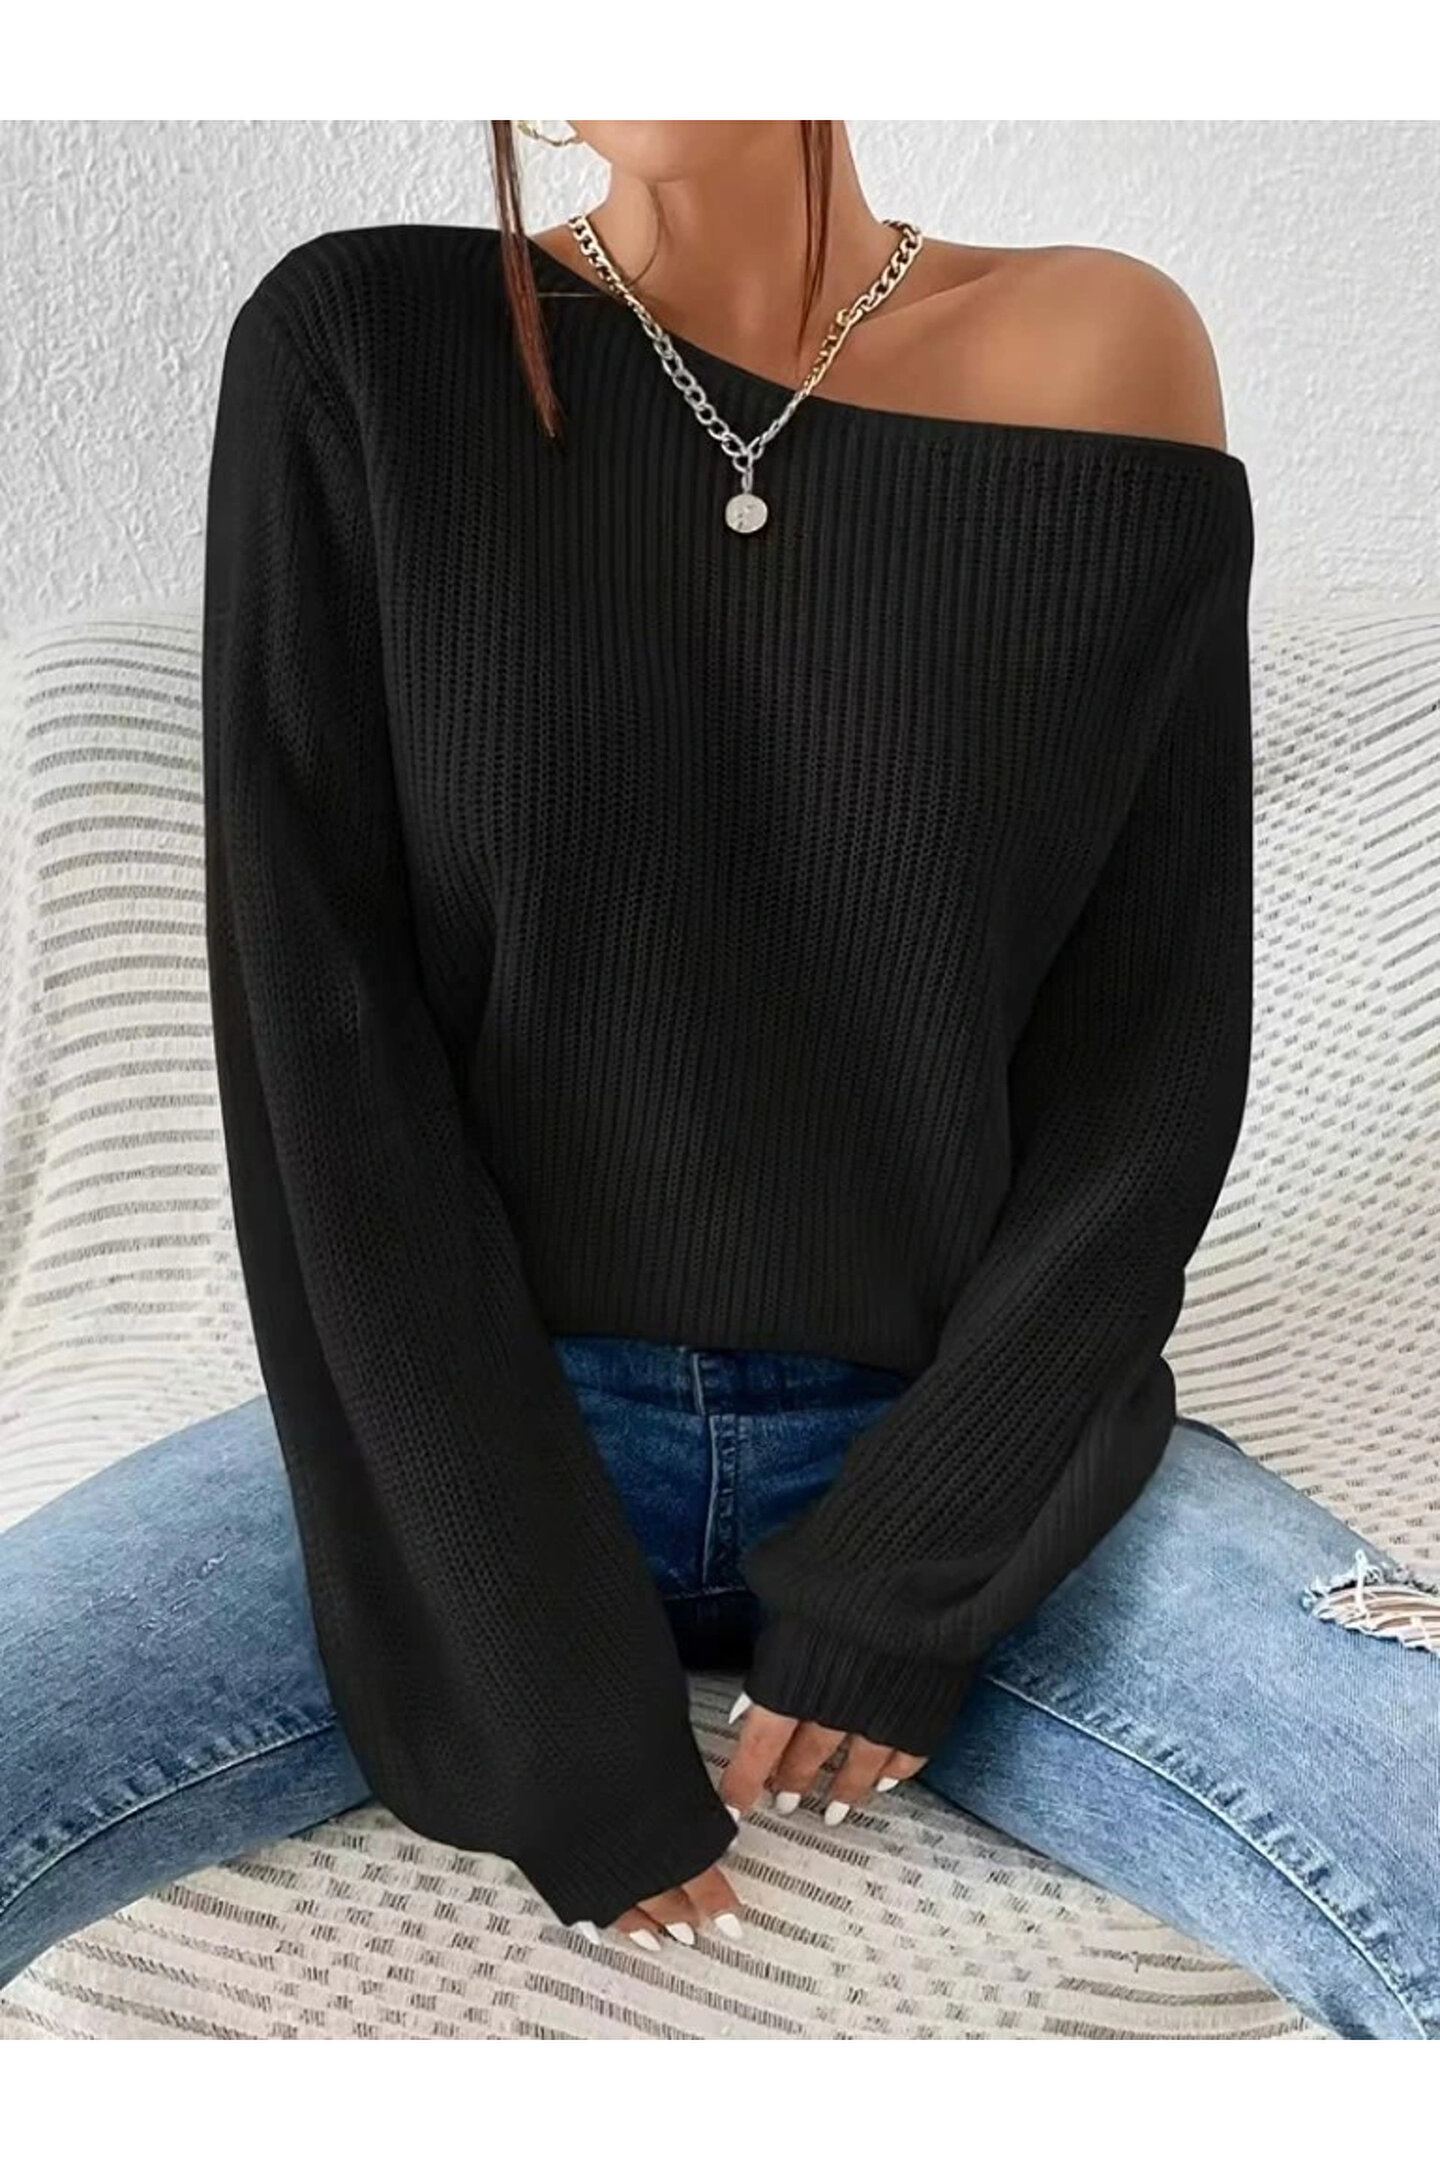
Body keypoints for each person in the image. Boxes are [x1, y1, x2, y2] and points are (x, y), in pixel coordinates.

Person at [1, 119, 1437, 2040]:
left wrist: (909, 1572)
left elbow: (1150, 1058)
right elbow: (323, 1058)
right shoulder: (365, 342)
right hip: (469, 1426)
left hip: (965, 1431)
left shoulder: (1104, 348)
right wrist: (540, 1690)